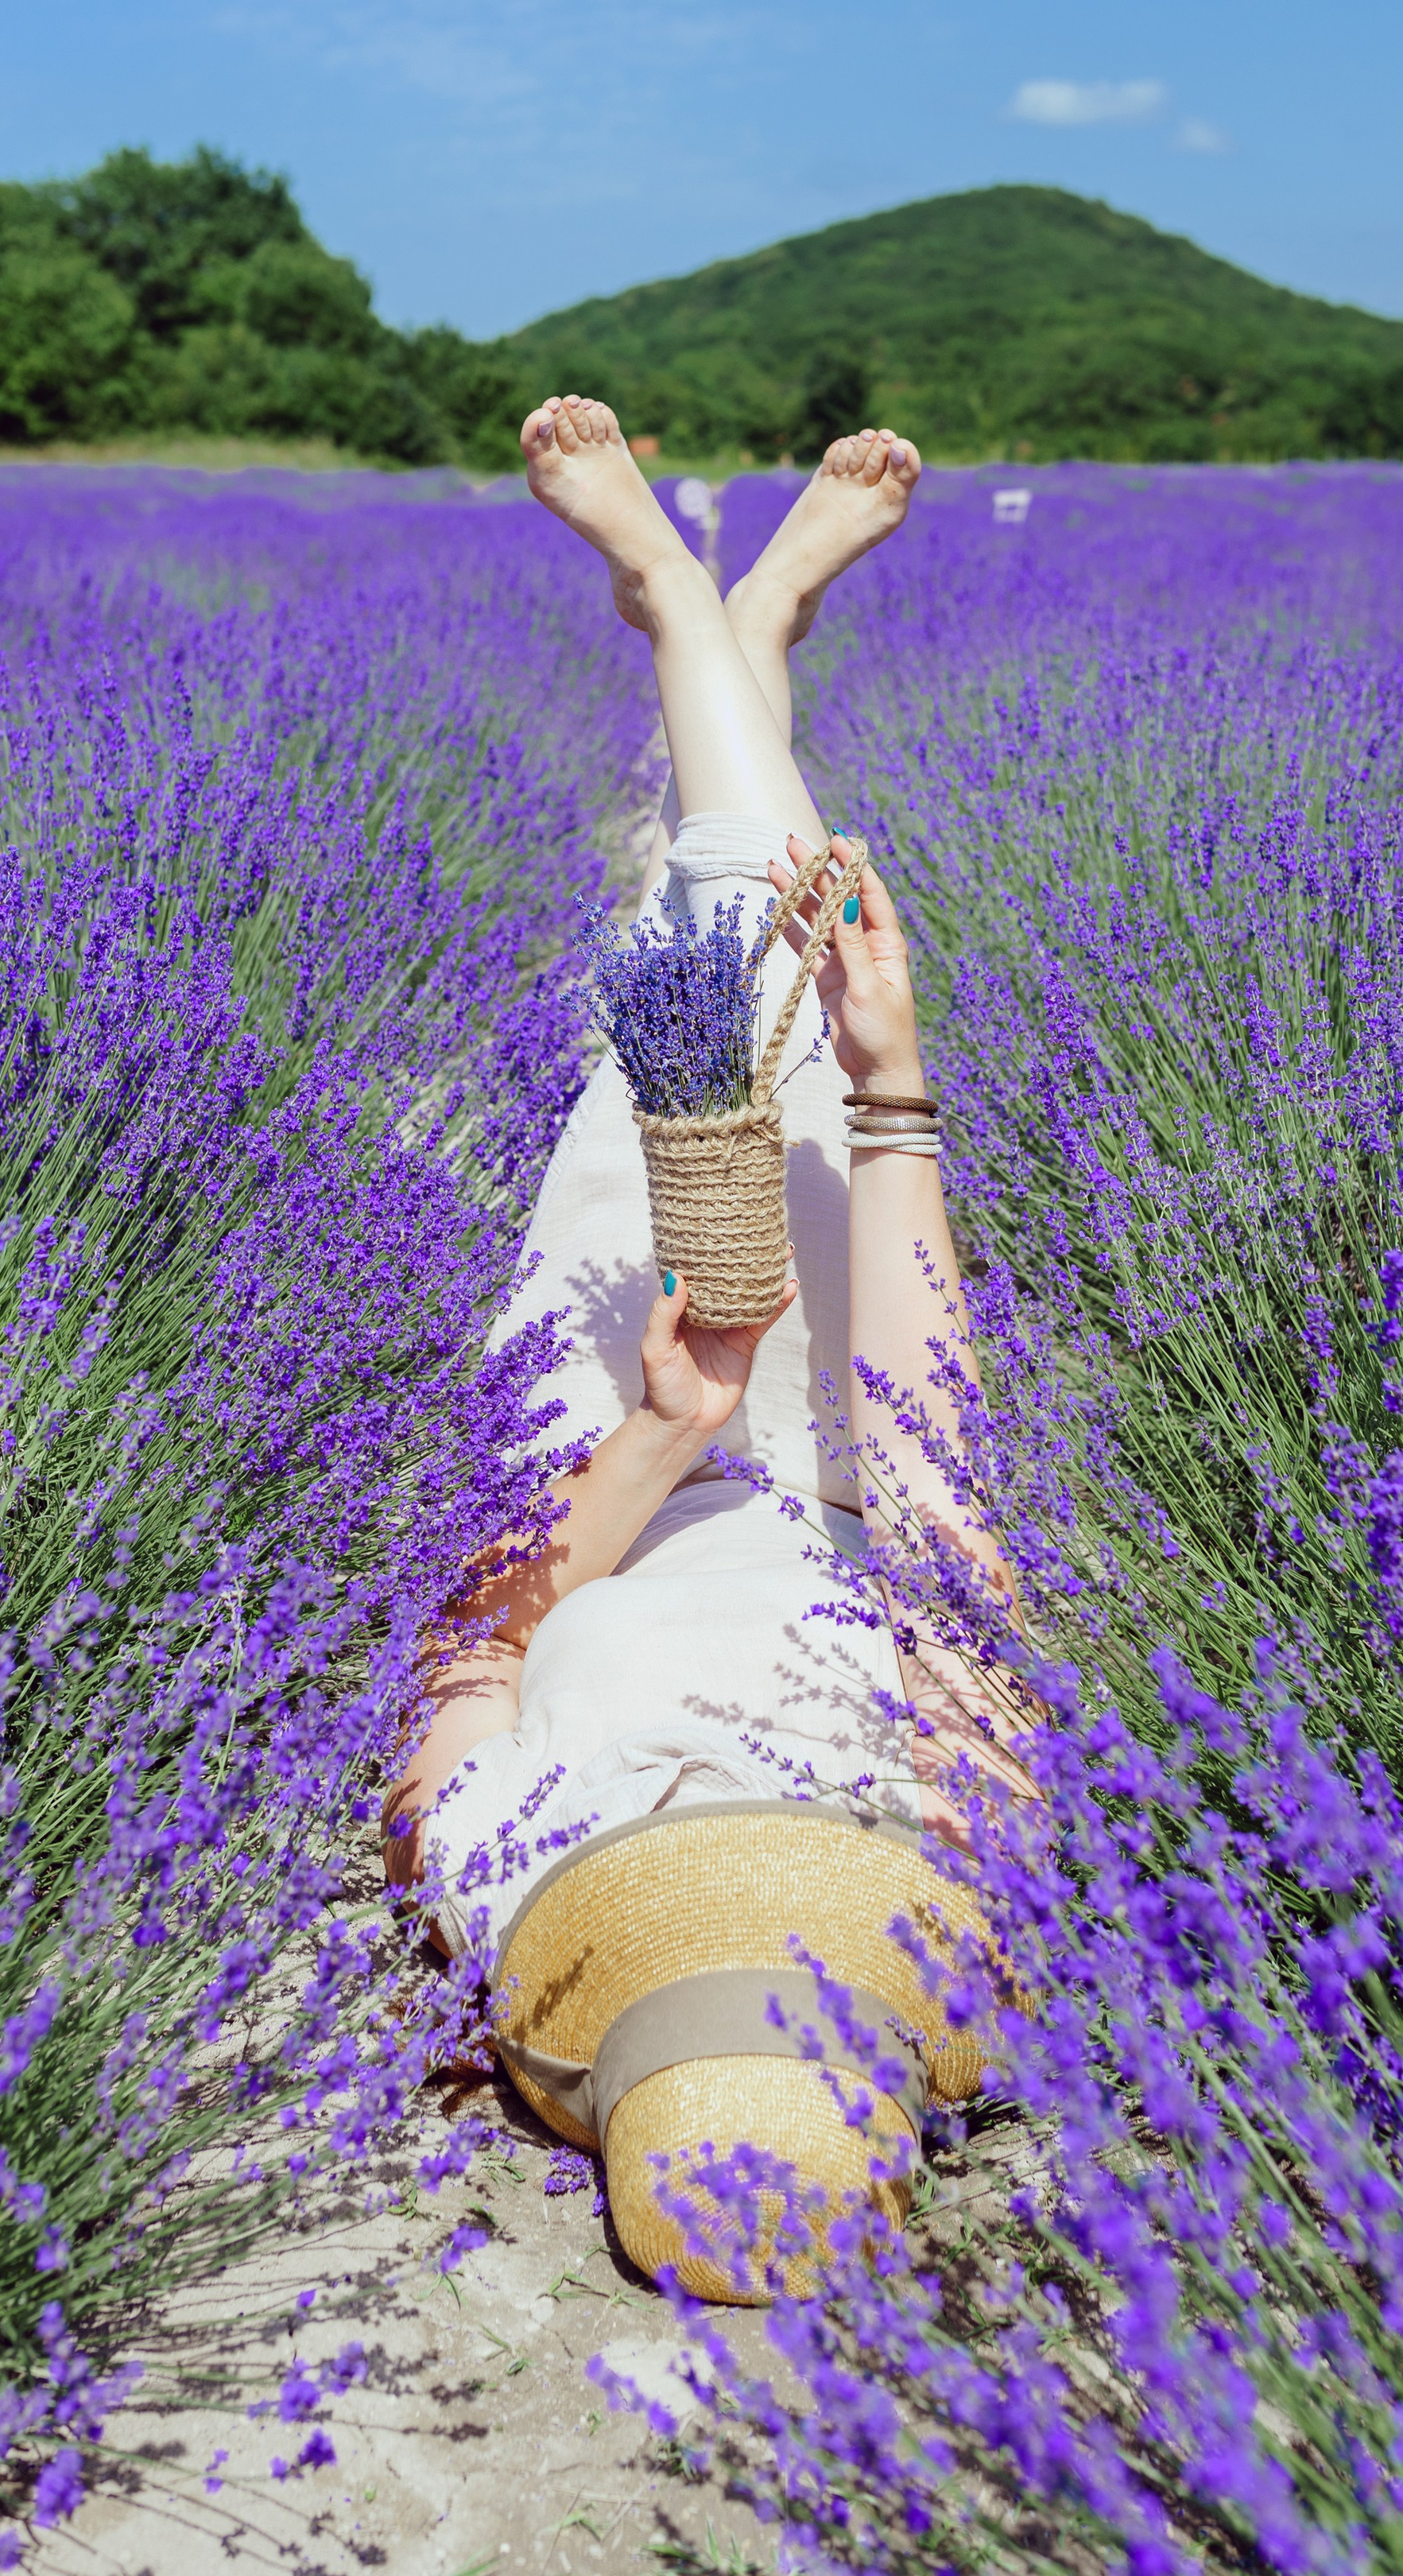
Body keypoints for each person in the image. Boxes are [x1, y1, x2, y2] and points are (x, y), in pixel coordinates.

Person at [383, 398, 1026, 1952]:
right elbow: (946, 1505)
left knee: (710, 986)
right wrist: (892, 1091)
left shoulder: (504, 1895)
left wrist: (668, 1431)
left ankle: (706, 617)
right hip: (843, 1454)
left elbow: (467, 1647)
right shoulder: (964, 1860)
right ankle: (726, 628)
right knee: (792, 972)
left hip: (592, 1448)